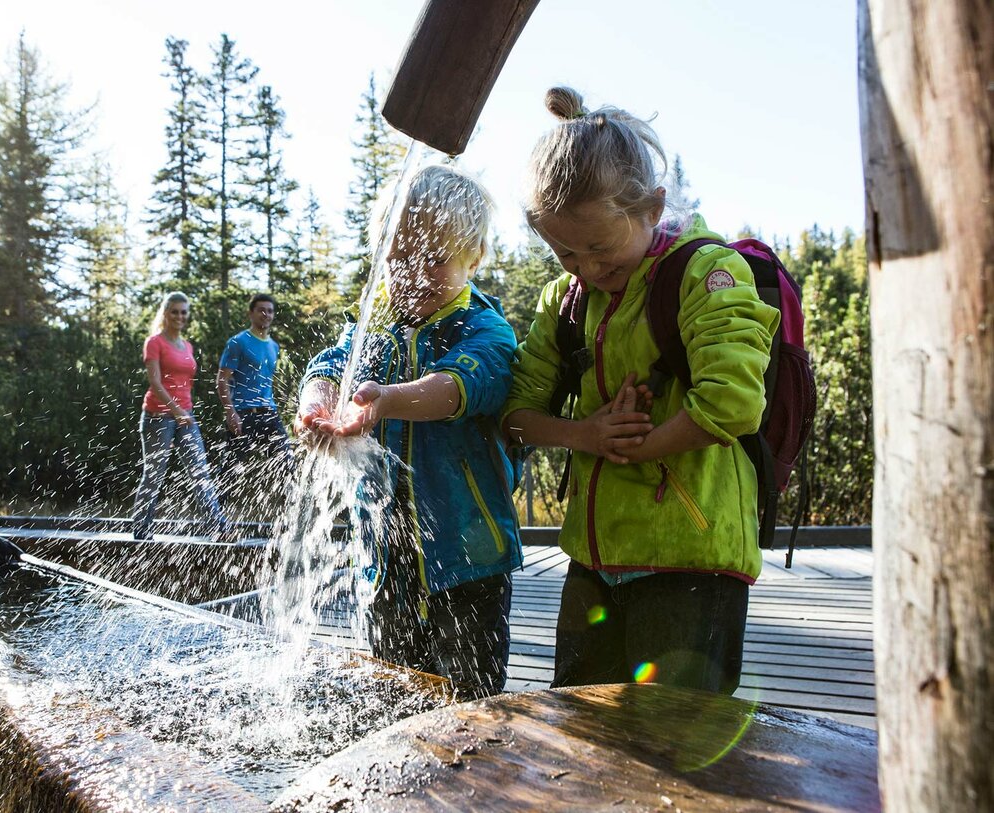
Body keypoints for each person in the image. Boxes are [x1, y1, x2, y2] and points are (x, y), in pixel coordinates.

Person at [501, 87, 780, 695]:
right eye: (564, 252)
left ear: (653, 207)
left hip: (692, 563)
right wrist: (587, 435)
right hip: (593, 562)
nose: (586, 268)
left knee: (678, 743)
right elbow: (516, 415)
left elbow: (732, 402)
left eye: (601, 247)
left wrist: (639, 445)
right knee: (577, 731)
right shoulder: (566, 298)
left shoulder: (706, 273)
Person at [295, 164, 521, 699]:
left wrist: (390, 400)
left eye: (436, 260)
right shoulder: (377, 327)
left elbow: (463, 384)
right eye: (399, 259)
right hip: (384, 553)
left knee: (472, 698)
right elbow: (331, 362)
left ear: (475, 258)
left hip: (469, 557)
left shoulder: (484, 328)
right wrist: (317, 402)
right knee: (392, 689)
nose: (414, 273)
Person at [129, 291, 231, 542]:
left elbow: (184, 382)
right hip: (157, 416)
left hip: (186, 416)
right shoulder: (155, 342)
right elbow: (154, 382)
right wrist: (176, 411)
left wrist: (183, 412)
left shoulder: (187, 346)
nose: (179, 316)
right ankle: (141, 530)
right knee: (154, 474)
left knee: (200, 471)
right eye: (174, 311)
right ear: (165, 314)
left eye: (183, 312)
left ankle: (218, 527)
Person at [216, 294, 293, 506]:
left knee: (286, 463)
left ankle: (289, 520)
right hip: (243, 414)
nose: (265, 314)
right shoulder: (238, 342)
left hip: (269, 412)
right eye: (261, 310)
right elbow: (222, 380)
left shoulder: (274, 346)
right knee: (231, 468)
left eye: (269, 310)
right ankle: (216, 520)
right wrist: (230, 412)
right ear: (250, 313)